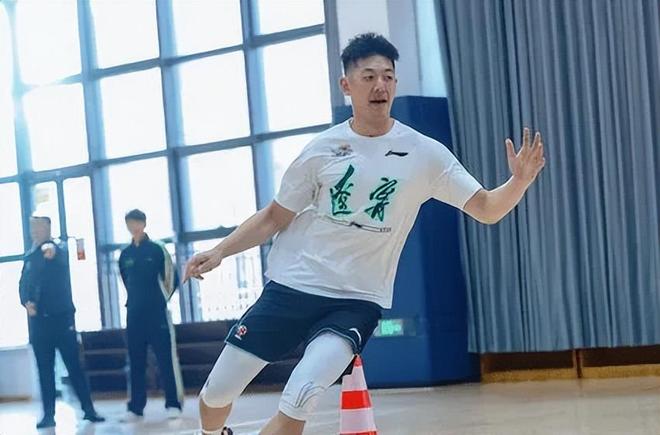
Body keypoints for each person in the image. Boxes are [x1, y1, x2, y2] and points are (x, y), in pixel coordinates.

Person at [185, 33, 546, 435]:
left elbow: (486, 209)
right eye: (369, 76)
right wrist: (220, 251)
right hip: (293, 286)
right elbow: (273, 216)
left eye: (388, 77)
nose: (380, 85)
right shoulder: (322, 150)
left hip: (357, 300)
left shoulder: (425, 154)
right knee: (217, 392)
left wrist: (518, 182)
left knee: (302, 394)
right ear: (347, 85)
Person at [19, 216, 105, 429]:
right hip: (39, 323)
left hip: (62, 321)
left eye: (40, 226)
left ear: (48, 228)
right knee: (45, 371)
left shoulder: (57, 250)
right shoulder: (29, 257)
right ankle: (48, 415)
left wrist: (51, 248)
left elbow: (56, 252)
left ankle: (89, 410)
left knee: (74, 366)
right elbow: (23, 285)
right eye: (33, 227)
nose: (35, 230)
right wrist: (26, 302)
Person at [118, 209, 184, 421]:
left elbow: (171, 278)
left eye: (137, 222)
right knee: (135, 362)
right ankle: (135, 407)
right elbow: (126, 281)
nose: (133, 226)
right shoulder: (125, 254)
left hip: (157, 314)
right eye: (130, 223)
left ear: (144, 224)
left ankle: (173, 404)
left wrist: (160, 301)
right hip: (133, 315)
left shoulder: (157, 249)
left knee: (165, 359)